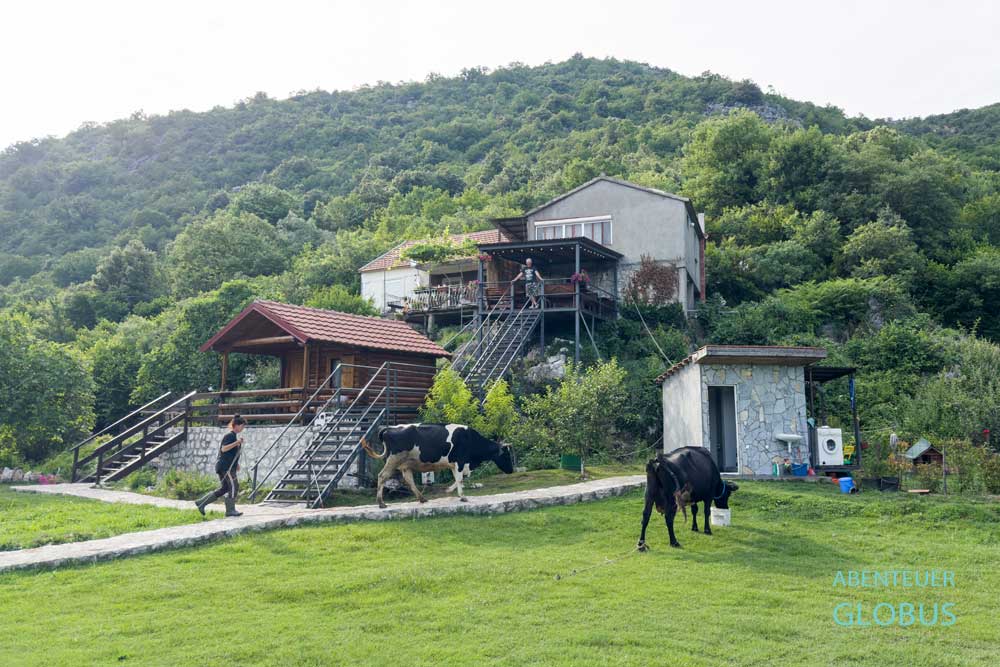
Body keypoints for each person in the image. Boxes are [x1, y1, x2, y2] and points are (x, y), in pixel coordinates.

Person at [195, 415, 246, 517]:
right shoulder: (230, 436)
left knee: (225, 488)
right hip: (225, 468)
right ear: (236, 425)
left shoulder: (233, 436)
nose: (243, 428)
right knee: (234, 486)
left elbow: (229, 454)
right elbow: (224, 449)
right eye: (242, 426)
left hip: (225, 467)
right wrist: (237, 443)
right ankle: (230, 510)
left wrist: (237, 464)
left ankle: (201, 502)